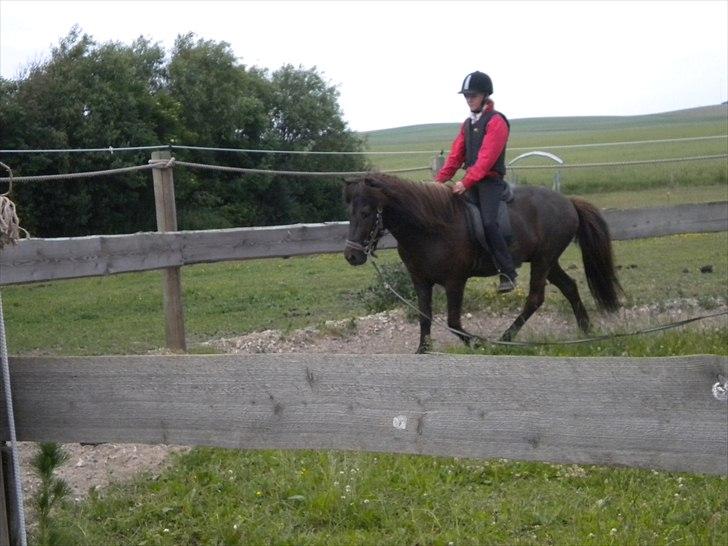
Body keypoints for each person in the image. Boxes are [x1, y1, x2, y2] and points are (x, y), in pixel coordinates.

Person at [435, 70, 518, 293]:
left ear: (484, 95)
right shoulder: (467, 124)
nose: (469, 99)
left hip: (490, 183)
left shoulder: (496, 121)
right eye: (466, 96)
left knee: (489, 223)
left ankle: (508, 272)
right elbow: (455, 155)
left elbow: (486, 159)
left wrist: (465, 182)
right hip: (472, 181)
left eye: (473, 95)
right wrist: (439, 181)